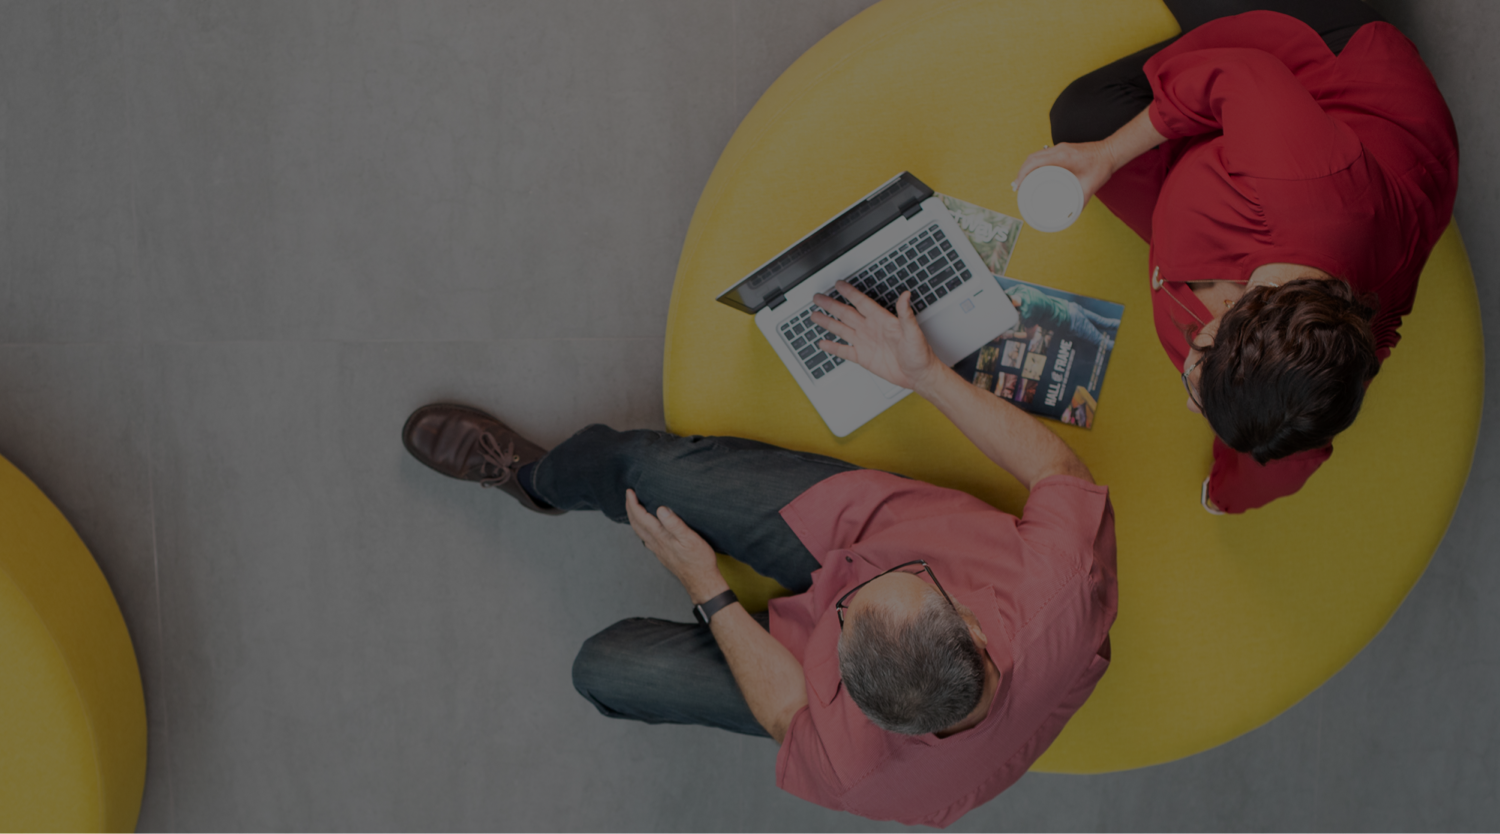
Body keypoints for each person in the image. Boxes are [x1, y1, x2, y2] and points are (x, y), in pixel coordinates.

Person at [400, 287, 1115, 827]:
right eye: (898, 584)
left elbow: (787, 718)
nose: (852, 586)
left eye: (849, 609)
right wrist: (924, 373)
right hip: (854, 524)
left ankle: (739, 613)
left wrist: (708, 590)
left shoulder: (867, 775)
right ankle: (534, 481)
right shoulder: (1061, 580)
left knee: (603, 668)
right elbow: (1059, 470)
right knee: (642, 468)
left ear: (857, 699)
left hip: (798, 668)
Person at [1014, 0, 1460, 513]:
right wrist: (1107, 154)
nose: (1188, 399)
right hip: (1333, 72)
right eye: (1202, 370)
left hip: (1262, 175)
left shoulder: (1327, 365)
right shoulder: (1303, 183)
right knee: (1082, 119)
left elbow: (1287, 431)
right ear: (1234, 310)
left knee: (1088, 128)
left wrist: (1231, 478)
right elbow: (1238, 75)